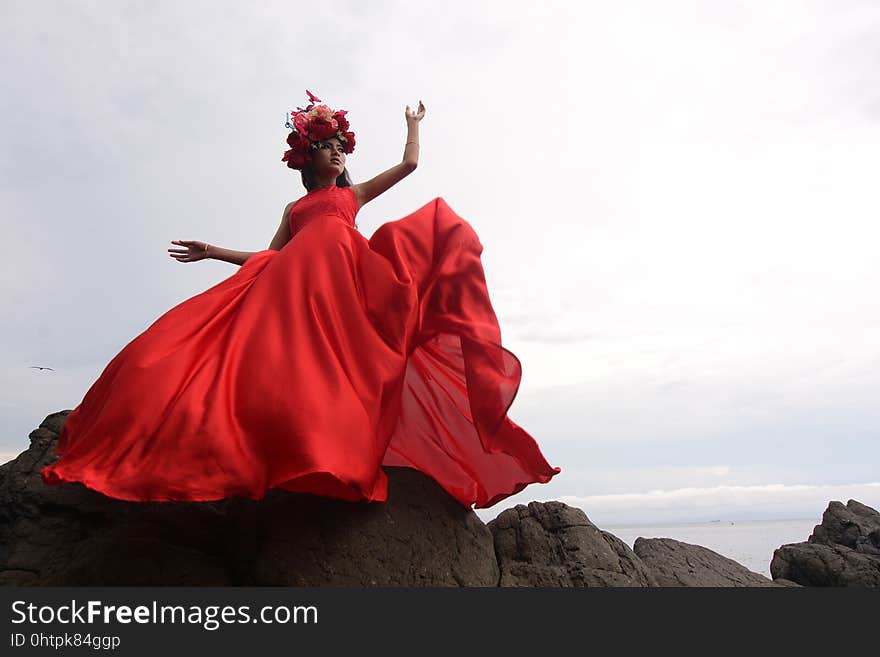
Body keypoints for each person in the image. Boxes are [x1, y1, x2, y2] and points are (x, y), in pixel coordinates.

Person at [40, 90, 560, 509]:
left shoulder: (349, 197)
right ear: (307, 154)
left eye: (341, 145)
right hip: (298, 293)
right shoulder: (296, 207)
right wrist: (213, 251)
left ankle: (331, 445)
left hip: (347, 289)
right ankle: (273, 447)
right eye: (328, 144)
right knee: (250, 363)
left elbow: (409, 166)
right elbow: (269, 257)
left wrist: (414, 124)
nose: (338, 151)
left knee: (426, 248)